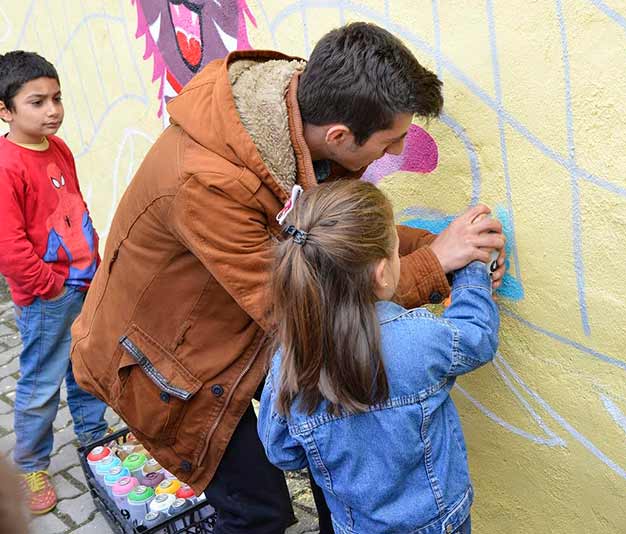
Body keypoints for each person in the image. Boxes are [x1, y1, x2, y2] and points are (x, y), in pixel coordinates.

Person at [70, 22, 506, 533]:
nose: (395, 153)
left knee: (329, 481)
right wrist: (436, 263)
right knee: (259, 513)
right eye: (392, 141)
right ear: (340, 136)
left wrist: (440, 247)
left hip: (240, 332)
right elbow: (308, 303)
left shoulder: (299, 122)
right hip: (173, 366)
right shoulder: (207, 182)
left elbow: (334, 242)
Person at [259, 179, 498, 533]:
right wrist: (473, 269)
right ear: (382, 273)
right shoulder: (419, 337)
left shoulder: (290, 362)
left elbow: (282, 451)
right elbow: (477, 335)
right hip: (439, 523)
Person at [0, 51, 108, 515]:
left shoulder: (58, 148)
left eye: (57, 98)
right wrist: (48, 285)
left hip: (84, 281)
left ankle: (93, 438)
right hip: (48, 296)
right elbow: (9, 244)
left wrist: (96, 258)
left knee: (85, 365)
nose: (53, 110)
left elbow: (76, 207)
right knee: (42, 381)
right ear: (5, 111)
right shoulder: (7, 165)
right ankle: (30, 464)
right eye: (37, 102)